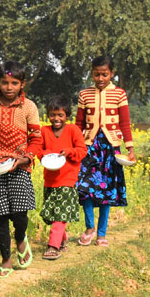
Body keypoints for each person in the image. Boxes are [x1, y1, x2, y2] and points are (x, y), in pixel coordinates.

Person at [0, 60, 42, 278]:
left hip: (19, 166)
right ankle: (5, 260)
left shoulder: (29, 107)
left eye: (14, 82)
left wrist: (26, 158)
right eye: (5, 82)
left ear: (22, 84)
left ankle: (21, 238)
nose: (9, 87)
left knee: (19, 214)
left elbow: (36, 138)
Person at [74, 56, 135, 246]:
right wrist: (74, 146)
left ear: (112, 74)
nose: (100, 78)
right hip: (89, 147)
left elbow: (124, 123)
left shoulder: (119, 94)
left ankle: (101, 234)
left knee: (107, 191)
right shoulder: (84, 94)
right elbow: (78, 123)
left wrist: (130, 148)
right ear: (92, 73)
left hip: (111, 149)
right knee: (85, 189)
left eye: (104, 74)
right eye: (96, 74)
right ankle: (89, 228)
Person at [37, 95, 87, 260]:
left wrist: (69, 152)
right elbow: (38, 150)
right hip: (50, 180)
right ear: (48, 115)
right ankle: (62, 240)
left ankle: (53, 246)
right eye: (52, 114)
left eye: (60, 115)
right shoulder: (44, 131)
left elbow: (82, 151)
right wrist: (47, 154)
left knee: (59, 215)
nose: (56, 118)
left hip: (68, 179)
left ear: (67, 116)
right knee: (49, 215)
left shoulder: (73, 130)